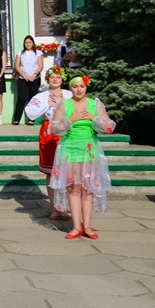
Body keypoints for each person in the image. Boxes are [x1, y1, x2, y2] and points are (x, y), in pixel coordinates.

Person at [48, 75, 115, 240]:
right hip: (70, 151)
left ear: (86, 87)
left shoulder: (95, 104)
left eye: (82, 86)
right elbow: (54, 129)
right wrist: (71, 119)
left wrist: (93, 118)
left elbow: (109, 128)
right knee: (74, 188)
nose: (79, 89)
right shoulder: (64, 105)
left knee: (88, 189)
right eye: (75, 86)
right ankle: (76, 227)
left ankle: (87, 227)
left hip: (89, 151)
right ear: (71, 88)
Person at [25, 65, 72, 221]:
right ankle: (54, 207)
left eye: (58, 77)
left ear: (62, 79)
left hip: (66, 133)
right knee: (51, 172)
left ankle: (64, 207)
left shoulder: (69, 94)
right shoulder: (41, 96)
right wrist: (49, 105)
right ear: (48, 79)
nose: (55, 80)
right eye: (52, 77)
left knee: (66, 171)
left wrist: (61, 104)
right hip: (49, 132)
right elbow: (30, 113)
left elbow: (76, 111)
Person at [12, 35, 44, 126]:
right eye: (26, 42)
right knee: (21, 98)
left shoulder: (38, 53)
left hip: (35, 79)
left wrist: (34, 75)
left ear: (33, 43)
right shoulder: (20, 53)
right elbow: (17, 66)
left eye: (29, 42)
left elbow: (40, 66)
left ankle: (31, 119)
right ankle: (16, 119)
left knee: (32, 99)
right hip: (23, 79)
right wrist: (24, 76)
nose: (28, 44)